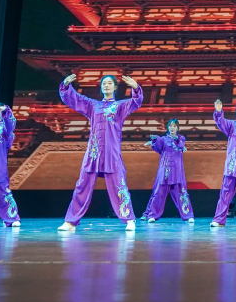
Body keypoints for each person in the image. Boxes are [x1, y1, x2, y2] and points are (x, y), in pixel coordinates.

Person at [56, 73, 144, 232]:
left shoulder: (120, 106)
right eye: (104, 83)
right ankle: (70, 222)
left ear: (115, 87)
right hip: (93, 152)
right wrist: (66, 86)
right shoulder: (93, 105)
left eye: (109, 83)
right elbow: (76, 99)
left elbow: (135, 102)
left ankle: (129, 219)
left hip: (111, 152)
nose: (106, 85)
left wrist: (136, 88)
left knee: (119, 186)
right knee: (82, 186)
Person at [143, 119, 194, 223]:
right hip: (165, 169)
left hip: (176, 170)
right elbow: (158, 145)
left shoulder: (181, 138)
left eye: (174, 126)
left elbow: (180, 145)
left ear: (177, 128)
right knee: (158, 193)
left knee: (181, 192)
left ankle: (188, 215)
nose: (172, 128)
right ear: (168, 127)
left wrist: (177, 140)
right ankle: (152, 215)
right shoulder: (163, 139)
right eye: (170, 126)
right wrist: (153, 140)